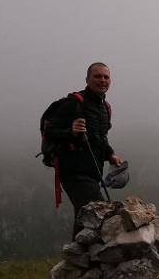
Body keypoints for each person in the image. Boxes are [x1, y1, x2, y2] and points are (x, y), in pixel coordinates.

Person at [46, 62, 125, 236]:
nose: (102, 80)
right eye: (97, 76)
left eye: (106, 77)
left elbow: (100, 139)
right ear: (87, 79)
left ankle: (77, 252)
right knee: (98, 212)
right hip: (73, 171)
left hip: (93, 173)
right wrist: (71, 131)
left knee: (85, 219)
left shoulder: (105, 107)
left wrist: (111, 154)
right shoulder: (74, 102)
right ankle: (84, 252)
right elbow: (50, 131)